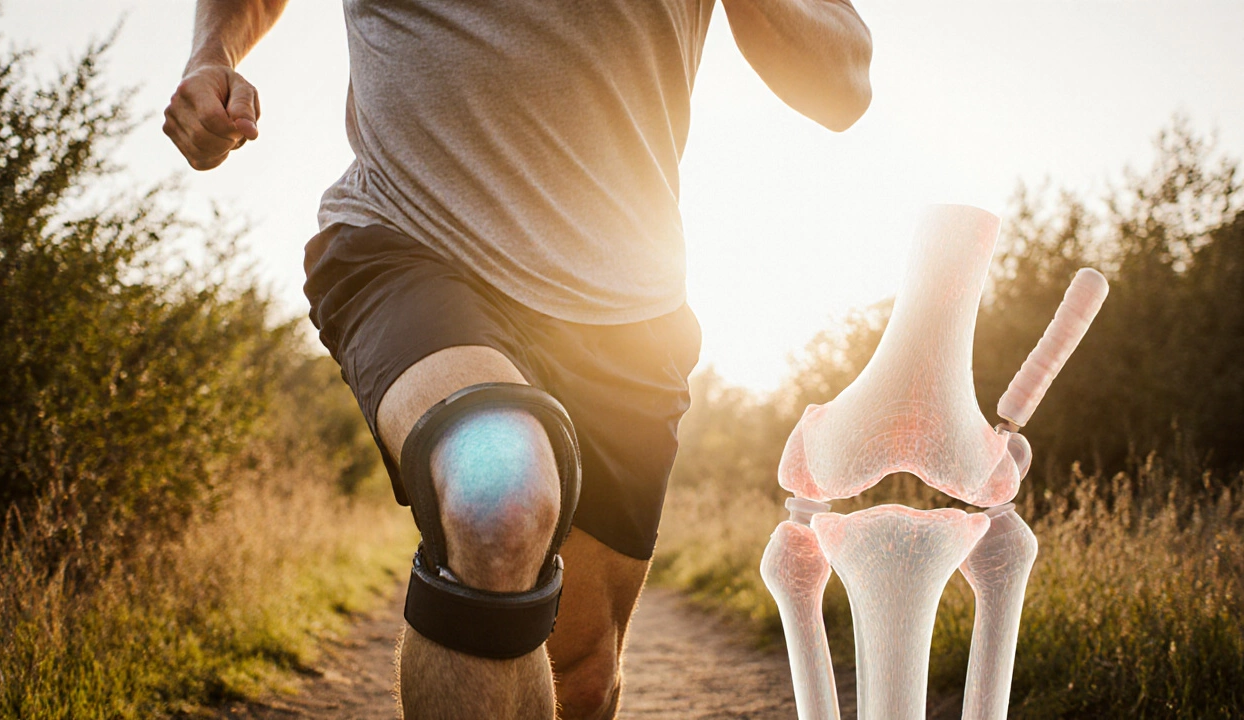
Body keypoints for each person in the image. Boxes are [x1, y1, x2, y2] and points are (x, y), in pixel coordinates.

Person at [163, 1, 871, 718]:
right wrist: (210, 54)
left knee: (583, 675)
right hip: (412, 241)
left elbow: (843, 84)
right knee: (498, 499)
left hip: (626, 308)